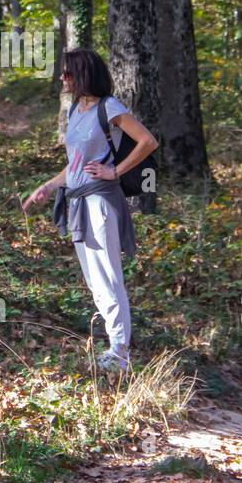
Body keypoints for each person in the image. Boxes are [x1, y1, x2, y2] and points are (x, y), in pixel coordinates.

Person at [22, 48, 159, 372]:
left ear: (84, 74)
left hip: (100, 203)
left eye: (68, 73)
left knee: (108, 277)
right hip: (78, 201)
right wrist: (49, 186)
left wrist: (116, 170)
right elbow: (75, 165)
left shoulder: (108, 107)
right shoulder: (75, 111)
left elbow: (148, 141)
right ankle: (115, 347)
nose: (62, 78)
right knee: (95, 280)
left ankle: (120, 352)